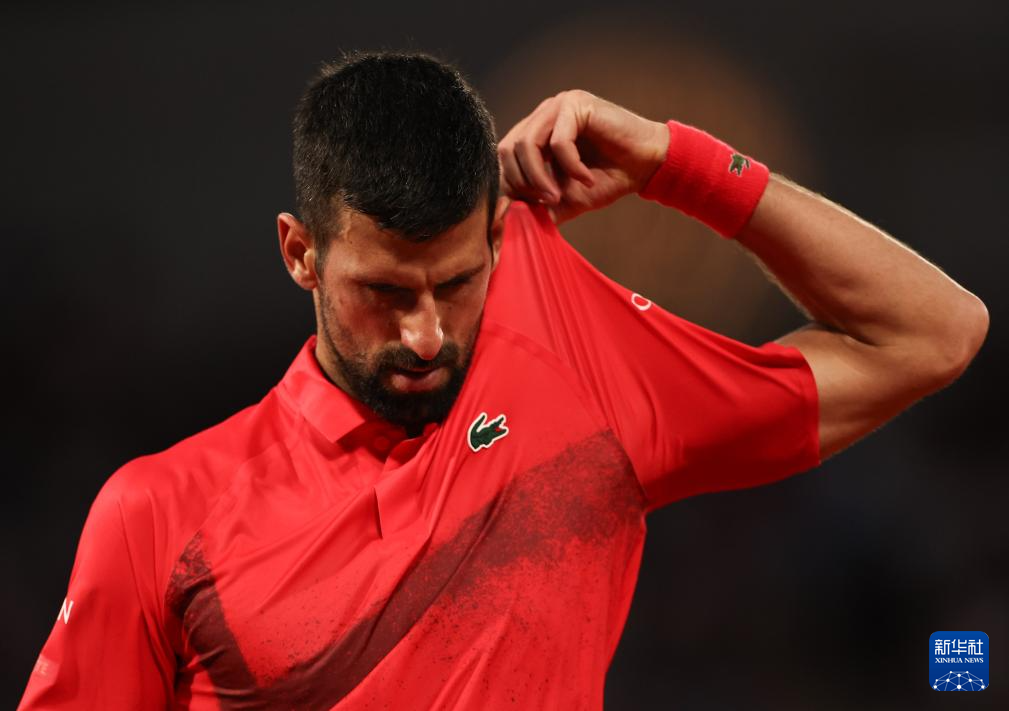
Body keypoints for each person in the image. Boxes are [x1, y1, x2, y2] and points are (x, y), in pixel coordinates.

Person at [17, 50, 987, 710]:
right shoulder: (158, 513)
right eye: (383, 292)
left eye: (456, 283)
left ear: (493, 237)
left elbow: (933, 333)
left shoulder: (569, 360)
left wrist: (673, 161)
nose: (426, 334)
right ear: (299, 253)